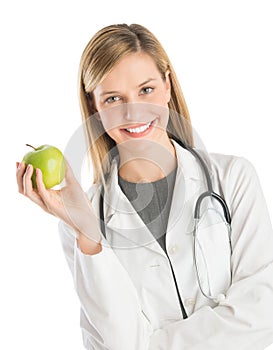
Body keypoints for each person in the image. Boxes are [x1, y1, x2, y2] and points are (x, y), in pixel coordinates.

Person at [16, 23, 273, 350]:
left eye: (146, 90)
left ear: (167, 86)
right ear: (94, 107)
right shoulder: (81, 221)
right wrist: (88, 234)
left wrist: (149, 345)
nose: (132, 110)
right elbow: (116, 339)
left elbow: (263, 312)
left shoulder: (234, 178)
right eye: (112, 98)